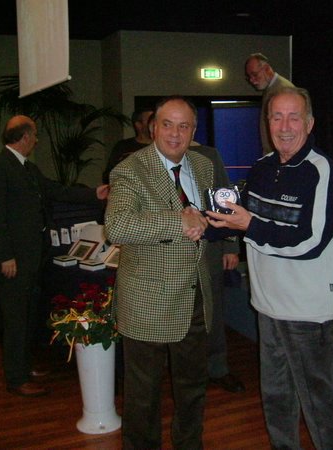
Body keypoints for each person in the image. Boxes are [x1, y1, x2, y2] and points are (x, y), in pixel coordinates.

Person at [206, 87, 333, 449]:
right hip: (267, 304)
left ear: (309, 123)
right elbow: (239, 219)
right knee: (277, 398)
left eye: (293, 117)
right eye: (276, 117)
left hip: (308, 310)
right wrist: (202, 223)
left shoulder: (322, 172)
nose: (285, 126)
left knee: (323, 404)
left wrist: (249, 226)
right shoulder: (262, 167)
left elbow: (310, 242)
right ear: (267, 123)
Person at [104, 96, 214, 449]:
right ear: (153, 128)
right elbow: (118, 226)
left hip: (195, 296)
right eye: (167, 124)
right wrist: (178, 222)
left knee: (193, 388)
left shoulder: (203, 166)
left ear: (194, 131)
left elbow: (210, 218)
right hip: (148, 300)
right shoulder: (130, 169)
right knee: (143, 397)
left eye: (184, 126)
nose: (175, 133)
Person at [0, 115, 108, 398]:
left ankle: (25, 367)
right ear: (25, 136)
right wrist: (5, 256)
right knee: (15, 320)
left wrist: (94, 195)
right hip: (14, 260)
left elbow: (55, 191)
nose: (36, 140)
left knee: (28, 316)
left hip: (32, 257)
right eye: (34, 135)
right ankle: (16, 378)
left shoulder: (27, 168)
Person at [189, 142, 245, 393]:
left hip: (209, 247)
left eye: (185, 126)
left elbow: (226, 200)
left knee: (213, 310)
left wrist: (231, 245)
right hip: (169, 251)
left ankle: (217, 367)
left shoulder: (208, 156)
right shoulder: (148, 159)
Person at [245, 52, 295, 155]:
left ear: (267, 69)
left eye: (255, 74)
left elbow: (289, 129)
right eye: (249, 77)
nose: (252, 80)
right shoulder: (273, 89)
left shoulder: (282, 90)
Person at [102, 107, 154, 182]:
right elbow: (109, 175)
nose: (154, 124)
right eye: (150, 120)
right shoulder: (123, 146)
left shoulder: (161, 147)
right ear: (139, 125)